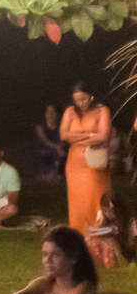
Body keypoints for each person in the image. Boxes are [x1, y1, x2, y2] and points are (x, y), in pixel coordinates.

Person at [0, 225, 99, 294]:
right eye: (45, 254)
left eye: (56, 254)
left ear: (74, 257)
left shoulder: (83, 290)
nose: (48, 260)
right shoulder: (45, 284)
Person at [61, 81, 113, 234]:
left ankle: (98, 232)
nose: (80, 103)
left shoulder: (102, 111)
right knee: (77, 199)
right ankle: (78, 233)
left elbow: (102, 136)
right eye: (76, 99)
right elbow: (64, 135)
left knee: (94, 197)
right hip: (74, 165)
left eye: (83, 99)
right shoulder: (70, 111)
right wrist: (90, 135)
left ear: (91, 97)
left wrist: (78, 137)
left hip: (95, 162)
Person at [87, 190, 136, 268]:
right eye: (105, 209)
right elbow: (105, 230)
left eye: (111, 209)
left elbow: (115, 230)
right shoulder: (106, 219)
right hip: (118, 251)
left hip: (127, 251)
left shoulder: (127, 221)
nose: (107, 212)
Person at [33, 103, 66, 182]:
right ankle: (50, 175)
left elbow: (63, 141)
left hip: (58, 153)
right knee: (53, 153)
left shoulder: (61, 127)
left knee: (63, 153)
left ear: (57, 114)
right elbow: (45, 140)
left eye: (53, 112)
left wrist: (60, 147)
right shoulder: (40, 127)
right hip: (44, 152)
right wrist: (56, 147)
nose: (50, 114)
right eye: (48, 112)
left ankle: (56, 174)